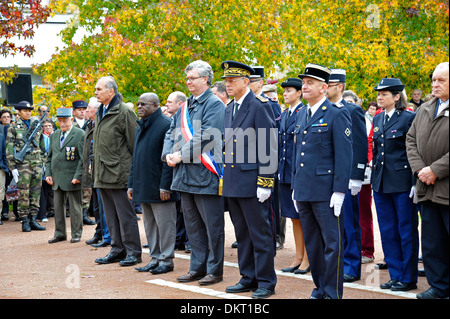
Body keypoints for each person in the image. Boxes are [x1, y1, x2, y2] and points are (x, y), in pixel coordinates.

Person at [292, 63, 352, 299]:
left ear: (324, 87)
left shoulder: (337, 114)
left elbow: (344, 156)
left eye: (310, 83)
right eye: (304, 82)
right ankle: (319, 287)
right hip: (305, 191)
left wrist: (339, 191)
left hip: (326, 192)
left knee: (332, 245)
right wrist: (296, 189)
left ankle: (332, 292)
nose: (304, 86)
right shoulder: (303, 113)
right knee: (314, 245)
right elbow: (299, 156)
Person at [162, 60, 225, 285]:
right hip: (184, 175)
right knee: (193, 227)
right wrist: (168, 154)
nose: (188, 82)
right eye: (187, 78)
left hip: (205, 174)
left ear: (205, 79)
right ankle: (196, 268)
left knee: (212, 227)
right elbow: (171, 131)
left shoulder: (215, 104)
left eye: (192, 78)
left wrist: (180, 155)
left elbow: (208, 136)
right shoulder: (186, 105)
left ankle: (214, 270)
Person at [221, 60, 277, 299]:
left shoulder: (259, 106)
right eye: (226, 81)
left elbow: (269, 146)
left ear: (246, 81)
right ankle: (248, 276)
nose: (228, 85)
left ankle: (265, 280)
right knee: (242, 234)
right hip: (235, 180)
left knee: (260, 234)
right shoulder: (228, 109)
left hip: (253, 181)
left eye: (232, 81)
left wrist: (265, 181)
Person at [371, 78, 418, 292]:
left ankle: (408, 278)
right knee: (388, 231)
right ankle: (395, 274)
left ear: (397, 97)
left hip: (402, 183)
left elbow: (414, 151)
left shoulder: (409, 117)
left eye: (384, 94)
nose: (379, 97)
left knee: (406, 230)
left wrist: (415, 183)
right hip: (381, 183)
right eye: (378, 94)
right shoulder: (378, 119)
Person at [406, 62, 449, 299]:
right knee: (432, 243)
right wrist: (421, 169)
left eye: (441, 80)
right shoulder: (425, 109)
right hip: (427, 187)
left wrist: (435, 170)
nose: (434, 85)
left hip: (445, 186)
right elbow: (410, 140)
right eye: (433, 80)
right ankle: (439, 287)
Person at [92, 76, 142, 267]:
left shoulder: (124, 112)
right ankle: (117, 249)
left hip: (119, 173)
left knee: (125, 215)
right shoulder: (101, 111)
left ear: (110, 91)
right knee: (110, 215)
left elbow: (133, 145)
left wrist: (131, 173)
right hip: (103, 171)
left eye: (99, 89)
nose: (95, 92)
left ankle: (133, 252)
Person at [129, 93, 179, 274]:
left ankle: (166, 260)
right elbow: (136, 158)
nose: (139, 107)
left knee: (165, 225)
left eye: (144, 104)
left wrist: (166, 186)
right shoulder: (140, 126)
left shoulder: (166, 125)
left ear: (156, 105)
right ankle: (155, 257)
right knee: (150, 225)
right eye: (138, 104)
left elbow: (168, 159)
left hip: (161, 187)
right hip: (144, 184)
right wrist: (131, 184)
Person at [327, 69, 368, 283]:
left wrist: (356, 176)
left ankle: (352, 265)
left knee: (349, 224)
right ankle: (338, 264)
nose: (325, 87)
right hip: (328, 177)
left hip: (347, 176)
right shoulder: (324, 110)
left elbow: (359, 144)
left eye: (330, 84)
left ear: (339, 87)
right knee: (333, 225)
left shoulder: (352, 110)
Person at [278, 78, 310, 275]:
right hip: (285, 173)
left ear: (299, 93)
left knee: (303, 217)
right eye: (284, 91)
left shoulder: (303, 112)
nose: (285, 94)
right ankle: (299, 256)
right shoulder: (285, 114)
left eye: (289, 91)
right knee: (293, 217)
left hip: (298, 173)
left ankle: (308, 258)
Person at [249, 65, 282, 250]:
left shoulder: (269, 105)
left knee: (268, 209)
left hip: (265, 165)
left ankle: (273, 237)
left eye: (252, 81)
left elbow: (272, 139)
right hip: (247, 167)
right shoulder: (243, 104)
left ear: (260, 83)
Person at [6, 101, 47, 232]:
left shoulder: (38, 126)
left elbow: (42, 147)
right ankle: (25, 220)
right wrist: (13, 168)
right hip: (23, 165)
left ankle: (34, 219)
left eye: (29, 110)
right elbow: (9, 150)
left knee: (36, 192)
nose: (28, 113)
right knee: (24, 193)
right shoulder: (13, 128)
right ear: (18, 112)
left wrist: (43, 163)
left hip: (37, 164)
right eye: (25, 110)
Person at [45, 108, 85, 243]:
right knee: (57, 207)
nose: (62, 124)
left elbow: (82, 158)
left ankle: (76, 233)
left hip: (72, 177)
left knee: (75, 207)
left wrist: (78, 175)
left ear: (71, 120)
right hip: (57, 177)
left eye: (65, 121)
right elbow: (49, 157)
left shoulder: (79, 134)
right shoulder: (54, 135)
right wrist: (48, 173)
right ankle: (60, 233)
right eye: (60, 121)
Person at [83, 98, 111, 247]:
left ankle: (107, 236)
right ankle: (99, 232)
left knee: (103, 204)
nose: (86, 111)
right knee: (96, 205)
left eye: (89, 108)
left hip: (100, 168)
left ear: (97, 109)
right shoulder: (90, 124)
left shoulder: (101, 123)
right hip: (92, 169)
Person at [37, 119, 54, 222]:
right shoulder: (40, 138)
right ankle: (42, 214)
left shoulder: (56, 136)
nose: (48, 127)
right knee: (42, 190)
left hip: (54, 166)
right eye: (46, 126)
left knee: (54, 191)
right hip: (42, 166)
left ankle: (55, 210)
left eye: (49, 125)